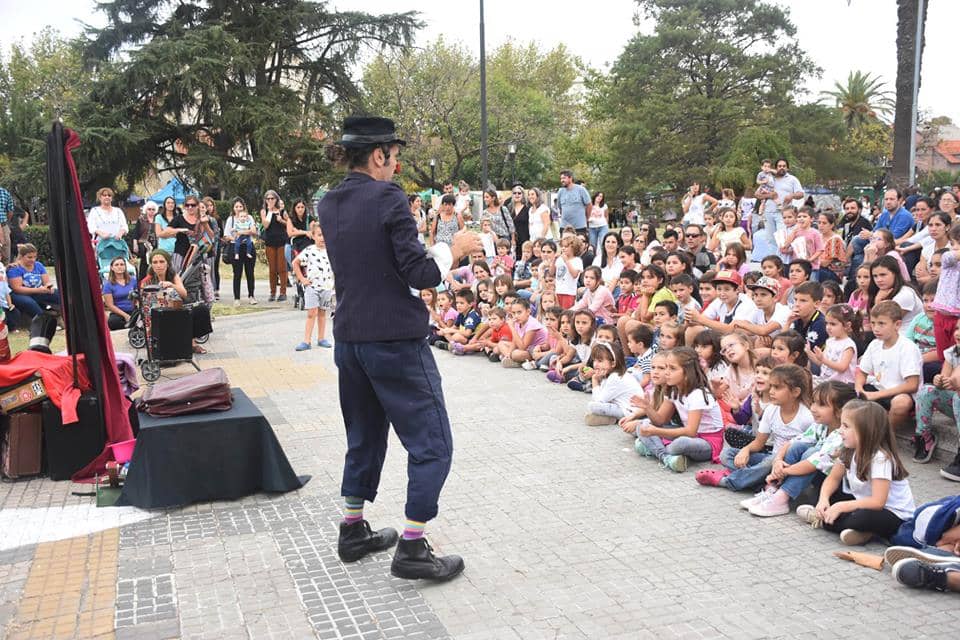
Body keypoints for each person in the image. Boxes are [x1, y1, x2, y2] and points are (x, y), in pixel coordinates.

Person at [318, 115, 481, 581]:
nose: (398, 163)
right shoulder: (387, 196)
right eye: (394, 155)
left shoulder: (329, 202)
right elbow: (420, 275)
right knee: (432, 444)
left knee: (364, 435)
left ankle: (352, 529)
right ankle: (412, 547)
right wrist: (455, 248)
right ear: (378, 156)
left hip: (349, 338)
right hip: (393, 340)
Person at [801, 400, 915, 546]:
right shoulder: (848, 450)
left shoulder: (880, 458)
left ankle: (824, 521)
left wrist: (841, 507)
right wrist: (824, 500)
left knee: (863, 517)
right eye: (841, 424)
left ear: (865, 430)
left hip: (892, 514)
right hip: (863, 502)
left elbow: (878, 502)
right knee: (820, 480)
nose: (840, 430)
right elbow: (833, 479)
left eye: (846, 426)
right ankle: (859, 532)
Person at [747, 380, 857, 517]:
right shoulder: (821, 425)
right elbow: (792, 442)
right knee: (798, 446)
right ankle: (774, 491)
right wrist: (778, 460)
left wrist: (782, 471)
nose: (813, 408)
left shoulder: (841, 436)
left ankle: (782, 498)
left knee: (812, 452)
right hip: (813, 472)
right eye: (814, 402)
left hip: (837, 488)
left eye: (821, 405)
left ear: (840, 411)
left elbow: (813, 463)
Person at [698, 364, 813, 492]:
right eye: (772, 386)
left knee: (770, 461)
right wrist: (745, 450)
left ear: (795, 392)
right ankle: (760, 482)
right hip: (771, 457)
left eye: (777, 387)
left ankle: (729, 481)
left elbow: (808, 454)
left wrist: (778, 462)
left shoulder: (807, 417)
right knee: (727, 454)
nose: (771, 391)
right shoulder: (771, 410)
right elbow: (759, 443)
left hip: (789, 465)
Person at [631, 347, 725, 472]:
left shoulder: (697, 394)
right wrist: (647, 408)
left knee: (681, 444)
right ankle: (668, 458)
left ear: (687, 372)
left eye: (672, 368)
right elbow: (660, 420)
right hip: (691, 436)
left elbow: (691, 431)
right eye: (667, 367)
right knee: (642, 424)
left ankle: (656, 451)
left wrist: (656, 432)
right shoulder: (674, 389)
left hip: (708, 442)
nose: (667, 372)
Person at [856, 301, 923, 431]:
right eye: (873, 323)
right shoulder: (874, 344)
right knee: (841, 392)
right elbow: (862, 373)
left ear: (897, 324)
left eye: (881, 323)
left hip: (900, 393)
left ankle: (884, 435)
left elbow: (912, 385)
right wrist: (859, 389)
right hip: (878, 389)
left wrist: (877, 395)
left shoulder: (907, 347)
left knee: (901, 403)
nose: (875, 328)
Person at [914, 323, 960, 475]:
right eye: (957, 329)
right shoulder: (952, 353)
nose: (958, 333)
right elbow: (945, 382)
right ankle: (924, 437)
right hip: (955, 403)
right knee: (926, 391)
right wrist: (939, 380)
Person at [292, 223, 335, 351]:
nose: (323, 238)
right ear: (313, 236)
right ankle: (306, 341)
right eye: (320, 235)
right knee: (312, 313)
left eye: (325, 235)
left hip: (327, 288)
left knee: (322, 314)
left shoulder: (332, 251)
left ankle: (321, 338)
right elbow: (295, 263)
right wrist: (302, 279)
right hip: (312, 287)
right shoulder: (310, 250)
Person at [583, 341, 641, 425]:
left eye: (600, 361)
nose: (595, 364)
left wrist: (594, 380)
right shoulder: (610, 375)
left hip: (630, 411)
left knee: (592, 406)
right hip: (622, 407)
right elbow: (603, 396)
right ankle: (609, 418)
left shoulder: (615, 377)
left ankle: (615, 419)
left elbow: (599, 400)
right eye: (594, 360)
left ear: (613, 363)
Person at [6, 243, 59, 321]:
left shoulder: (38, 265)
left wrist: (49, 287)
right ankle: (43, 322)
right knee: (29, 303)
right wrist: (39, 290)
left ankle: (63, 315)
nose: (33, 260)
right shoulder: (15, 268)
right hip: (19, 295)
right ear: (21, 256)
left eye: (35, 257)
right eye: (29, 257)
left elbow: (47, 282)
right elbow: (17, 289)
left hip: (38, 292)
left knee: (59, 294)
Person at [222, 198, 259, 306]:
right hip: (236, 247)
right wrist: (234, 238)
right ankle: (237, 297)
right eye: (236, 207)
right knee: (237, 273)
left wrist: (240, 232)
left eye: (240, 207)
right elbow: (226, 235)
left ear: (244, 207)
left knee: (250, 273)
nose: (238, 209)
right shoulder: (231, 220)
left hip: (248, 246)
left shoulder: (249, 218)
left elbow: (254, 231)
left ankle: (251, 295)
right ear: (233, 208)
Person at [260, 190, 289, 302]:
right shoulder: (264, 211)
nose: (270, 200)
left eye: (272, 198)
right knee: (272, 269)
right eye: (268, 199)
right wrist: (270, 211)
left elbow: (289, 224)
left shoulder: (282, 211)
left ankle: (283, 292)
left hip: (281, 241)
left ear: (277, 199)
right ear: (266, 200)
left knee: (282, 268)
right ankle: (272, 293)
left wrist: (281, 220)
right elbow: (266, 225)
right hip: (270, 242)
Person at [102, 256, 136, 330]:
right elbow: (109, 305)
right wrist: (125, 315)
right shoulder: (108, 285)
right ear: (112, 268)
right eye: (116, 265)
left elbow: (138, 297)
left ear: (125, 266)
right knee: (113, 322)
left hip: (133, 310)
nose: (119, 267)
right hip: (118, 312)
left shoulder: (133, 281)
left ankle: (132, 324)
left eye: (122, 264)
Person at [557, 170, 591, 237]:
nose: (562, 180)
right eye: (561, 178)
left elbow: (589, 205)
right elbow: (560, 208)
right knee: (565, 246)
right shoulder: (560, 191)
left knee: (579, 246)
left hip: (579, 227)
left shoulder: (581, 189)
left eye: (564, 178)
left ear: (570, 178)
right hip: (565, 227)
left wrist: (586, 218)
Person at [130, 201, 158, 281]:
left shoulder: (158, 219)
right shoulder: (141, 219)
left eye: (153, 209)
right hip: (143, 245)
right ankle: (142, 282)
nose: (151, 211)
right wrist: (135, 244)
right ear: (146, 210)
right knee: (144, 264)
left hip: (155, 244)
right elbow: (136, 232)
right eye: (149, 209)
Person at [508, 185, 530, 260]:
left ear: (523, 195)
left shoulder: (527, 208)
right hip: (512, 240)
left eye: (519, 193)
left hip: (525, 238)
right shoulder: (509, 209)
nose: (517, 195)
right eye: (515, 193)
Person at [0, 185, 13, 264]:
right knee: (5, 254)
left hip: (3, 225)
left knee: (5, 253)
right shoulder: (5, 192)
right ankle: (5, 273)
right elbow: (10, 212)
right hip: (3, 224)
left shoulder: (5, 192)